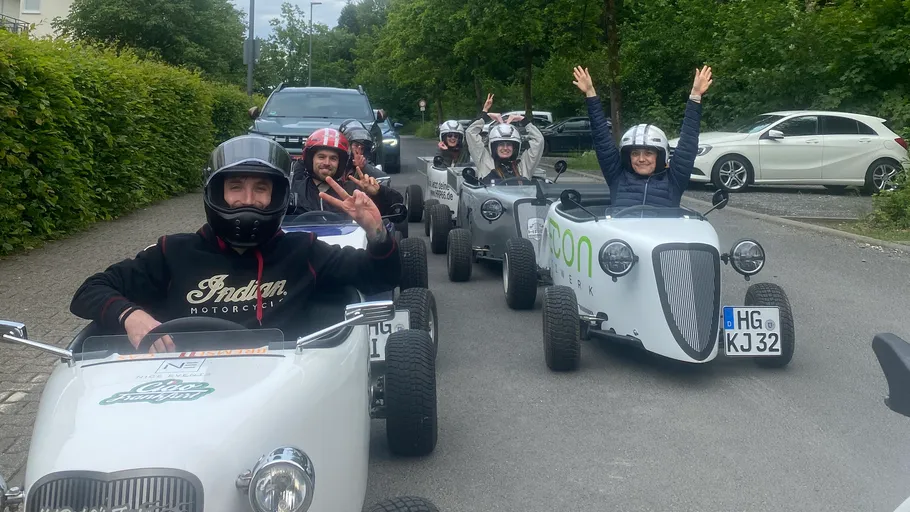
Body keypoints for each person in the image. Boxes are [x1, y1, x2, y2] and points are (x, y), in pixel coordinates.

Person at [69, 134, 401, 353]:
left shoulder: (302, 251)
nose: (248, 199)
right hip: (181, 389)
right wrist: (130, 315)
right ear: (217, 194)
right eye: (236, 187)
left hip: (279, 395)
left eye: (260, 189)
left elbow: (380, 278)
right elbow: (89, 291)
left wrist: (376, 232)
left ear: (278, 195)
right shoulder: (175, 252)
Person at [572, 65, 713, 208]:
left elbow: (687, 145)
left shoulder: (674, 180)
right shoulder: (617, 176)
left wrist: (695, 96)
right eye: (635, 153)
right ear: (628, 156)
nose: (641, 159)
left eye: (648, 153)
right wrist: (590, 92)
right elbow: (602, 139)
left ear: (660, 155)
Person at [289, 128, 400, 215]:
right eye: (321, 157)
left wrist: (378, 193)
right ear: (310, 160)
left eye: (333, 158)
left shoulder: (354, 191)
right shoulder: (293, 191)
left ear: (340, 163)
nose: (327, 162)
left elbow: (396, 209)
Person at [465, 93, 545, 183]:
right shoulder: (485, 163)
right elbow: (470, 133)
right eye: (501, 144)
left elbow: (539, 140)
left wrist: (523, 120)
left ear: (515, 147)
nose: (505, 148)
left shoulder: (524, 166)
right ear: (494, 146)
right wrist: (485, 115)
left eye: (509, 144)